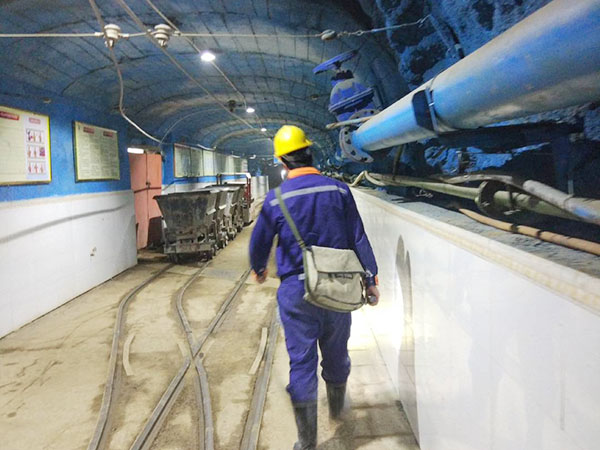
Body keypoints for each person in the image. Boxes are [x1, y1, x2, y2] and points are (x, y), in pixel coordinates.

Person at [249, 125, 380, 450]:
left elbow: (259, 243)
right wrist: (371, 279)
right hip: (338, 286)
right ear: (310, 153)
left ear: (282, 162)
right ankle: (337, 411)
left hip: (296, 293)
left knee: (301, 362)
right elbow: (358, 237)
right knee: (337, 353)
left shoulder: (277, 199)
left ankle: (307, 442)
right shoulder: (339, 190)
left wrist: (259, 268)